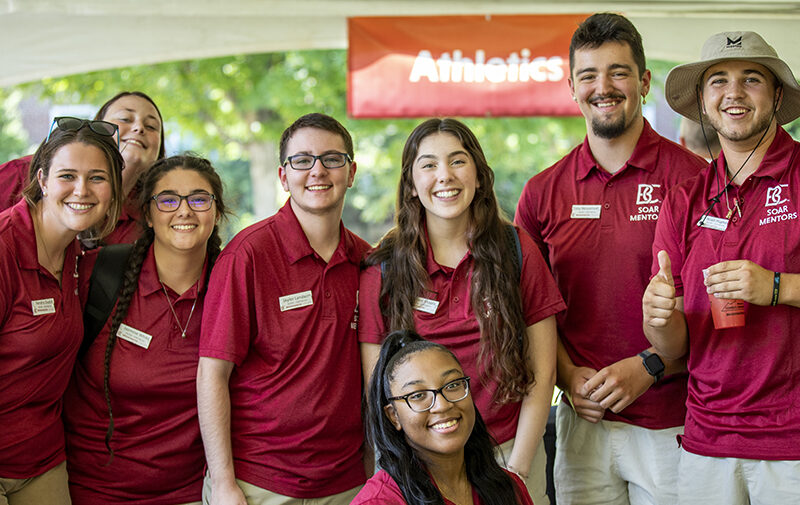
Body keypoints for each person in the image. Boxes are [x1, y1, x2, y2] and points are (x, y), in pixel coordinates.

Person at [514, 13, 708, 505]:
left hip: (675, 419)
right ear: (572, 88)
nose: (604, 87)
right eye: (588, 75)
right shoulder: (541, 193)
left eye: (619, 72)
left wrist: (652, 365)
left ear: (644, 81)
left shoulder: (696, 179)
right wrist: (564, 375)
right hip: (583, 421)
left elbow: (715, 300)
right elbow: (530, 310)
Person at [359, 118, 564, 505]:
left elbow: (542, 371)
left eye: (457, 161)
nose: (445, 176)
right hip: (420, 464)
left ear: (479, 175)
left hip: (508, 451)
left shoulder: (516, 250)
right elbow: (377, 390)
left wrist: (517, 470)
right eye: (429, 165)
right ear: (411, 184)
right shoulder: (382, 268)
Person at [644, 30, 800, 504]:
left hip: (792, 440)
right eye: (718, 81)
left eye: (750, 79)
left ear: (776, 95)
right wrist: (659, 319)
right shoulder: (684, 199)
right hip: (706, 438)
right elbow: (674, 344)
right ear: (703, 102)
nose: (733, 93)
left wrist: (777, 286)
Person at [197, 113, 370, 505]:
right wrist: (224, 482)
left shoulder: (367, 260)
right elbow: (212, 375)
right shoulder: (248, 255)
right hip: (258, 483)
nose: (318, 171)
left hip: (346, 484)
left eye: (332, 159)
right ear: (282, 175)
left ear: (352, 171)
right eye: (302, 160)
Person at [63, 155, 226, 505]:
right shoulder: (99, 274)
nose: (184, 210)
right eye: (168, 200)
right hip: (94, 492)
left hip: (194, 494)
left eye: (199, 199)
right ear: (148, 214)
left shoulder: (234, 286)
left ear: (216, 212)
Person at [0, 118, 123, 504]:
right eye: (67, 175)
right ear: (43, 180)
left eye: (97, 178)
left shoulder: (75, 253)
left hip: (42, 459)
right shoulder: (5, 248)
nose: (82, 190)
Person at [353, 330, 534, 505]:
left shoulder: (509, 487)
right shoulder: (377, 501)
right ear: (394, 417)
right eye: (417, 395)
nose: (442, 405)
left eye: (453, 385)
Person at [0, 91, 165, 244]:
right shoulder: (21, 172)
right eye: (125, 119)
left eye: (151, 126)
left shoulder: (154, 212)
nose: (139, 128)